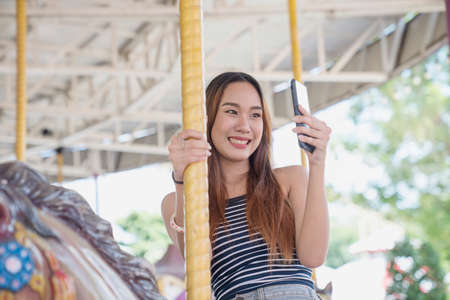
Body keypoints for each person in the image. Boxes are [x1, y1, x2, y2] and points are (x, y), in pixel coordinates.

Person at [161, 72, 331, 300]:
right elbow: (197, 262)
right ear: (207, 118)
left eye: (255, 115)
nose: (244, 126)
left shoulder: (290, 179)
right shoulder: (176, 201)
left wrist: (317, 162)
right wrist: (182, 179)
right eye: (231, 112)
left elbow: (314, 256)